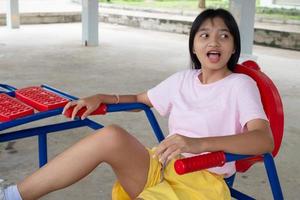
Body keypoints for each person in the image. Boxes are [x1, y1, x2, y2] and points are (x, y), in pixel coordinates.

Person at [0, 8, 274, 200]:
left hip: (202, 183)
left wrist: (197, 144)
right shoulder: (183, 80)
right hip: (162, 166)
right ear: (193, 46)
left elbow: (263, 140)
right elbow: (141, 99)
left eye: (223, 35)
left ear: (234, 46)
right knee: (111, 135)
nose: (214, 41)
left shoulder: (240, 85)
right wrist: (102, 97)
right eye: (204, 35)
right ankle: (12, 196)